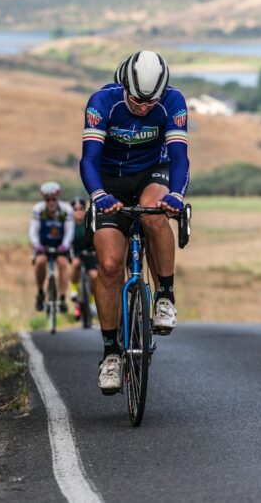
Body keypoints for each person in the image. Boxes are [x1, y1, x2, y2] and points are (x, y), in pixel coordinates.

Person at [80, 50, 190, 394]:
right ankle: (111, 353)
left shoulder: (173, 102)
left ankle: (165, 296)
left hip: (150, 173)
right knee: (109, 266)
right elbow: (89, 159)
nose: (143, 107)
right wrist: (98, 195)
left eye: (150, 102)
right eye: (137, 100)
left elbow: (180, 158)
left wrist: (177, 195)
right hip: (110, 180)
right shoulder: (102, 102)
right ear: (124, 86)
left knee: (155, 212)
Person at [30, 181, 74, 312]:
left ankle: (62, 297)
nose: (50, 202)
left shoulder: (66, 209)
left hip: (60, 245)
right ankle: (40, 292)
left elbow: (69, 231)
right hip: (43, 245)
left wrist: (65, 245)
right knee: (40, 262)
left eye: (53, 199)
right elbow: (33, 230)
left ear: (57, 197)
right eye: (47, 199)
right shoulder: (38, 209)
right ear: (44, 199)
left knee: (62, 263)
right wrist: (37, 245)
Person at [68, 197, 98, 320]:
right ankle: (74, 291)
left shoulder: (89, 221)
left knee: (94, 276)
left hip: (90, 253)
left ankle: (92, 302)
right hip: (75, 252)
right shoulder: (69, 224)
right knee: (75, 264)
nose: (78, 212)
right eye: (75, 209)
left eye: (81, 209)